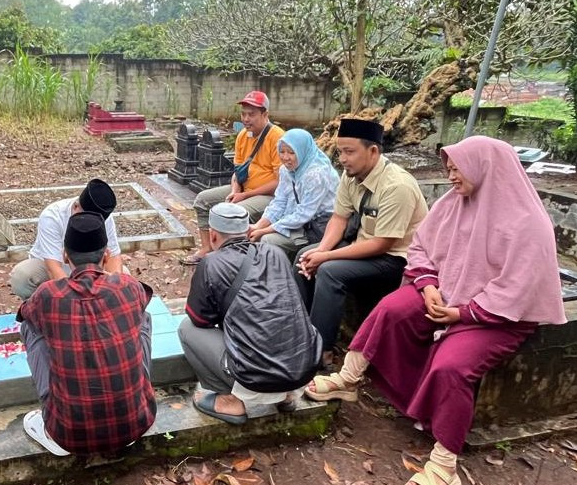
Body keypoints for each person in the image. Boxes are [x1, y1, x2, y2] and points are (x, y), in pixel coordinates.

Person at [305, 136, 566, 485]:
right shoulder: (452, 203)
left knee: (451, 367)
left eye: (457, 167)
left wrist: (461, 313)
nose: (450, 175)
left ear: (483, 168)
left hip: (498, 317)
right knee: (392, 309)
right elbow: (422, 247)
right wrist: (427, 285)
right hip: (444, 292)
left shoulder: (529, 224)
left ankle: (445, 464)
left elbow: (516, 290)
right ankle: (349, 378)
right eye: (449, 167)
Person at [19, 212, 156, 456]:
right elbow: (143, 298)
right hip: (138, 424)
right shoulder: (129, 286)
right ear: (105, 255)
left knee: (30, 326)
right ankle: (134, 398)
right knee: (143, 316)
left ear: (64, 255)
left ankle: (50, 423)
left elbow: (24, 313)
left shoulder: (48, 295)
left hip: (68, 436)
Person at [295, 118, 428, 366]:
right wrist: (321, 250)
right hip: (364, 246)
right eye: (340, 152)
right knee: (304, 256)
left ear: (373, 151)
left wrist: (325, 257)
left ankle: (322, 350)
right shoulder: (351, 175)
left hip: (396, 259)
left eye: (350, 151)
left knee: (330, 271)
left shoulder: (397, 186)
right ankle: (305, 332)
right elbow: (338, 217)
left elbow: (383, 244)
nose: (343, 159)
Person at [179, 203, 321, 425]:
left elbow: (201, 319)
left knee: (187, 328)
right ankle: (287, 395)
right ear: (247, 232)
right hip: (302, 370)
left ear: (213, 235)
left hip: (255, 376)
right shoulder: (276, 253)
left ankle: (228, 400)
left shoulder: (211, 263)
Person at [182, 91, 285, 265]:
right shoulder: (243, 135)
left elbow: (279, 183)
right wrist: (236, 190)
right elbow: (238, 170)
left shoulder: (278, 137)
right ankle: (208, 248)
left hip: (268, 195)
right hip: (244, 188)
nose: (246, 119)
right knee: (202, 200)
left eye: (251, 114)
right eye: (243, 114)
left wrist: (243, 196)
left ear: (265, 114)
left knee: (237, 211)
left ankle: (233, 260)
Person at [10, 178, 122, 299]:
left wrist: (115, 287)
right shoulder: (52, 216)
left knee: (123, 276)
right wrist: (78, 299)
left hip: (90, 269)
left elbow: (114, 256)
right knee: (22, 277)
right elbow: (53, 268)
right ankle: (40, 309)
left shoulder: (105, 219)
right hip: (53, 267)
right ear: (75, 206)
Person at [247, 128, 339, 261]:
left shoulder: (316, 174)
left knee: (267, 239)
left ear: (302, 151)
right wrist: (258, 226)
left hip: (318, 226)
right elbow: (279, 202)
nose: (285, 157)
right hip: (300, 221)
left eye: (291, 152)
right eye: (282, 151)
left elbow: (304, 214)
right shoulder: (286, 170)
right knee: (255, 234)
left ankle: (276, 277)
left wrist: (265, 230)